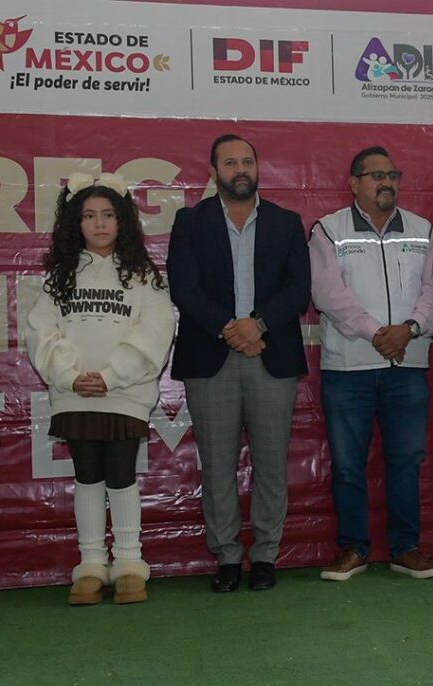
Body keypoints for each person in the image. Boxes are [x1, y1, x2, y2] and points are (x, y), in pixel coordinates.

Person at [167, 134, 310, 592]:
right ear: (213, 172)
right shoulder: (190, 222)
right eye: (230, 163)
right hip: (212, 357)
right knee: (217, 466)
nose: (240, 169)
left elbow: (298, 289)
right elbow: (184, 287)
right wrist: (230, 328)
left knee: (271, 465)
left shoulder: (286, 223)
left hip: (271, 355)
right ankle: (227, 556)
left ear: (257, 167)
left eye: (247, 161)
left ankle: (266, 555)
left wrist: (257, 326)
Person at [26, 172, 174, 606]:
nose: (99, 223)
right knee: (87, 476)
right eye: (89, 215)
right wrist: (70, 375)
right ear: (76, 223)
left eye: (108, 214)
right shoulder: (61, 275)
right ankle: (91, 564)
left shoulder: (143, 276)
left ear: (122, 220)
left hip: (124, 394)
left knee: (122, 475)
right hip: (74, 393)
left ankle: (129, 563)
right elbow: (41, 331)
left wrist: (111, 376)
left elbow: (155, 331)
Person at [310, 146, 433, 581]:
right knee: (349, 465)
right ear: (354, 183)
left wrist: (410, 328)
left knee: (406, 460)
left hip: (408, 365)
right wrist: (377, 334)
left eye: (392, 175)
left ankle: (406, 548)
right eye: (376, 175)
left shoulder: (423, 230)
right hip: (349, 369)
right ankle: (353, 548)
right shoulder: (328, 230)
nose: (386, 183)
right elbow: (328, 295)